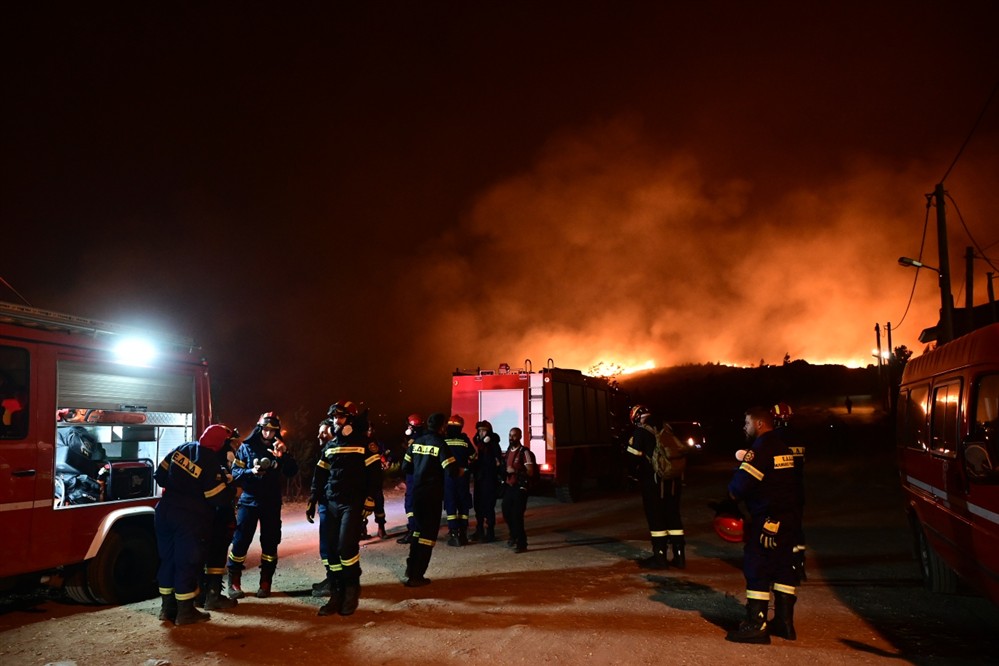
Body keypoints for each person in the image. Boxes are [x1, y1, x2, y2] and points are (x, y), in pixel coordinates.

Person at [725, 405, 801, 644]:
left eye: (747, 423)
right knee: (782, 569)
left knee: (756, 567)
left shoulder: (760, 450)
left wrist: (731, 491)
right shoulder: (782, 448)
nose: (744, 427)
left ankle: (757, 624)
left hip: (766, 520)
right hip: (788, 519)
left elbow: (738, 488)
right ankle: (785, 623)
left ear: (759, 424)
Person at [154, 424, 235, 625]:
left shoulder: (181, 448)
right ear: (219, 444)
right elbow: (216, 498)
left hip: (164, 510)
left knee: (168, 560)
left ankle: (167, 608)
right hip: (189, 517)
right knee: (186, 562)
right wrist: (231, 488)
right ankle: (185, 612)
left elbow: (160, 476)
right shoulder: (209, 460)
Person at [316, 401, 381, 616]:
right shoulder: (331, 445)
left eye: (341, 417)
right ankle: (337, 593)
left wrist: (371, 500)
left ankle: (351, 590)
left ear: (350, 420)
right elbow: (321, 474)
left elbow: (374, 475)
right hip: (331, 503)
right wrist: (312, 498)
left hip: (351, 504)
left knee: (346, 548)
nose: (336, 421)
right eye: (334, 417)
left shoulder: (365, 444)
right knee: (331, 551)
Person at [227, 411, 299, 599]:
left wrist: (284, 456)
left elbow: (292, 471)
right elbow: (235, 474)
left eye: (272, 430)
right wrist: (252, 471)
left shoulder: (280, 448)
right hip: (249, 501)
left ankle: (265, 582)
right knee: (241, 541)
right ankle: (234, 581)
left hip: (271, 502)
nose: (268, 434)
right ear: (259, 428)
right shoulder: (246, 447)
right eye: (265, 429)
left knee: (270, 542)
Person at [401, 412, 462, 586]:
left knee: (417, 532)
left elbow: (406, 467)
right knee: (427, 536)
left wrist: (420, 471)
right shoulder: (440, 444)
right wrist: (460, 471)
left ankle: (411, 568)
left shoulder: (415, 443)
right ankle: (417, 576)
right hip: (432, 496)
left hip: (418, 494)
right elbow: (450, 470)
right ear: (442, 427)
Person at [625, 404, 688, 569]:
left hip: (653, 482)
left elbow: (633, 459)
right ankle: (680, 556)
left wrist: (632, 475)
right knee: (673, 515)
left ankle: (659, 557)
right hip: (674, 480)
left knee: (656, 518)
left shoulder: (641, 432)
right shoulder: (667, 428)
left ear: (637, 417)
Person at [198, 427, 241, 611]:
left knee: (203, 554)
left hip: (201, 514)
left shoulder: (198, 454)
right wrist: (233, 489)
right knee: (217, 553)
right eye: (231, 441)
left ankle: (200, 595)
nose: (235, 445)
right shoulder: (223, 458)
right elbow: (224, 490)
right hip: (220, 512)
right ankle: (213, 596)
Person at [772, 402, 807, 582]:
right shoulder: (799, 437)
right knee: (797, 528)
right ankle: (799, 566)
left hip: (781, 492)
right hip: (798, 490)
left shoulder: (774, 439)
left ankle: (785, 568)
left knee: (781, 530)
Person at [306, 419, 336, 596]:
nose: (319, 435)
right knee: (326, 545)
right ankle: (331, 578)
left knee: (331, 545)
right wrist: (313, 500)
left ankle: (335, 583)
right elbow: (319, 478)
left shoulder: (338, 451)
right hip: (326, 502)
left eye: (324, 432)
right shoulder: (327, 451)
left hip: (333, 504)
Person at [501, 427, 536, 553]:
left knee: (517, 516)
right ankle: (513, 535)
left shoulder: (524, 452)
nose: (511, 438)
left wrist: (515, 471)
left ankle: (522, 543)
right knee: (506, 512)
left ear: (520, 437)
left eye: (514, 435)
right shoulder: (508, 451)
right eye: (510, 435)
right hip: (509, 487)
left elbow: (530, 472)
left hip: (520, 487)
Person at [443, 414, 476, 546]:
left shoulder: (443, 440)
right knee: (463, 503)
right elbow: (473, 456)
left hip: (448, 476)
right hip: (463, 476)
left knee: (451, 503)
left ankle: (453, 533)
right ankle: (463, 533)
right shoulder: (464, 439)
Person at [470, 419, 503, 543]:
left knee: (489, 506)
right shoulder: (479, 445)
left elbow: (497, 462)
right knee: (478, 506)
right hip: (480, 479)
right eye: (479, 431)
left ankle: (490, 532)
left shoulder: (493, 445)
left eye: (484, 430)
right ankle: (479, 530)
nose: (481, 433)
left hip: (489, 479)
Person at [396, 413, 425, 545]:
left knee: (411, 504)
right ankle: (419, 530)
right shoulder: (425, 438)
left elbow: (408, 461)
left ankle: (413, 531)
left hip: (413, 475)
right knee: (420, 504)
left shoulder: (413, 440)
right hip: (423, 476)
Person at [361, 423, 389, 540]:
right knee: (361, 507)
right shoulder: (358, 441)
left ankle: (381, 528)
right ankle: (362, 530)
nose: (370, 431)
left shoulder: (373, 443)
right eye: (368, 429)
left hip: (373, 479)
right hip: (361, 480)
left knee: (378, 504)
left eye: (371, 429)